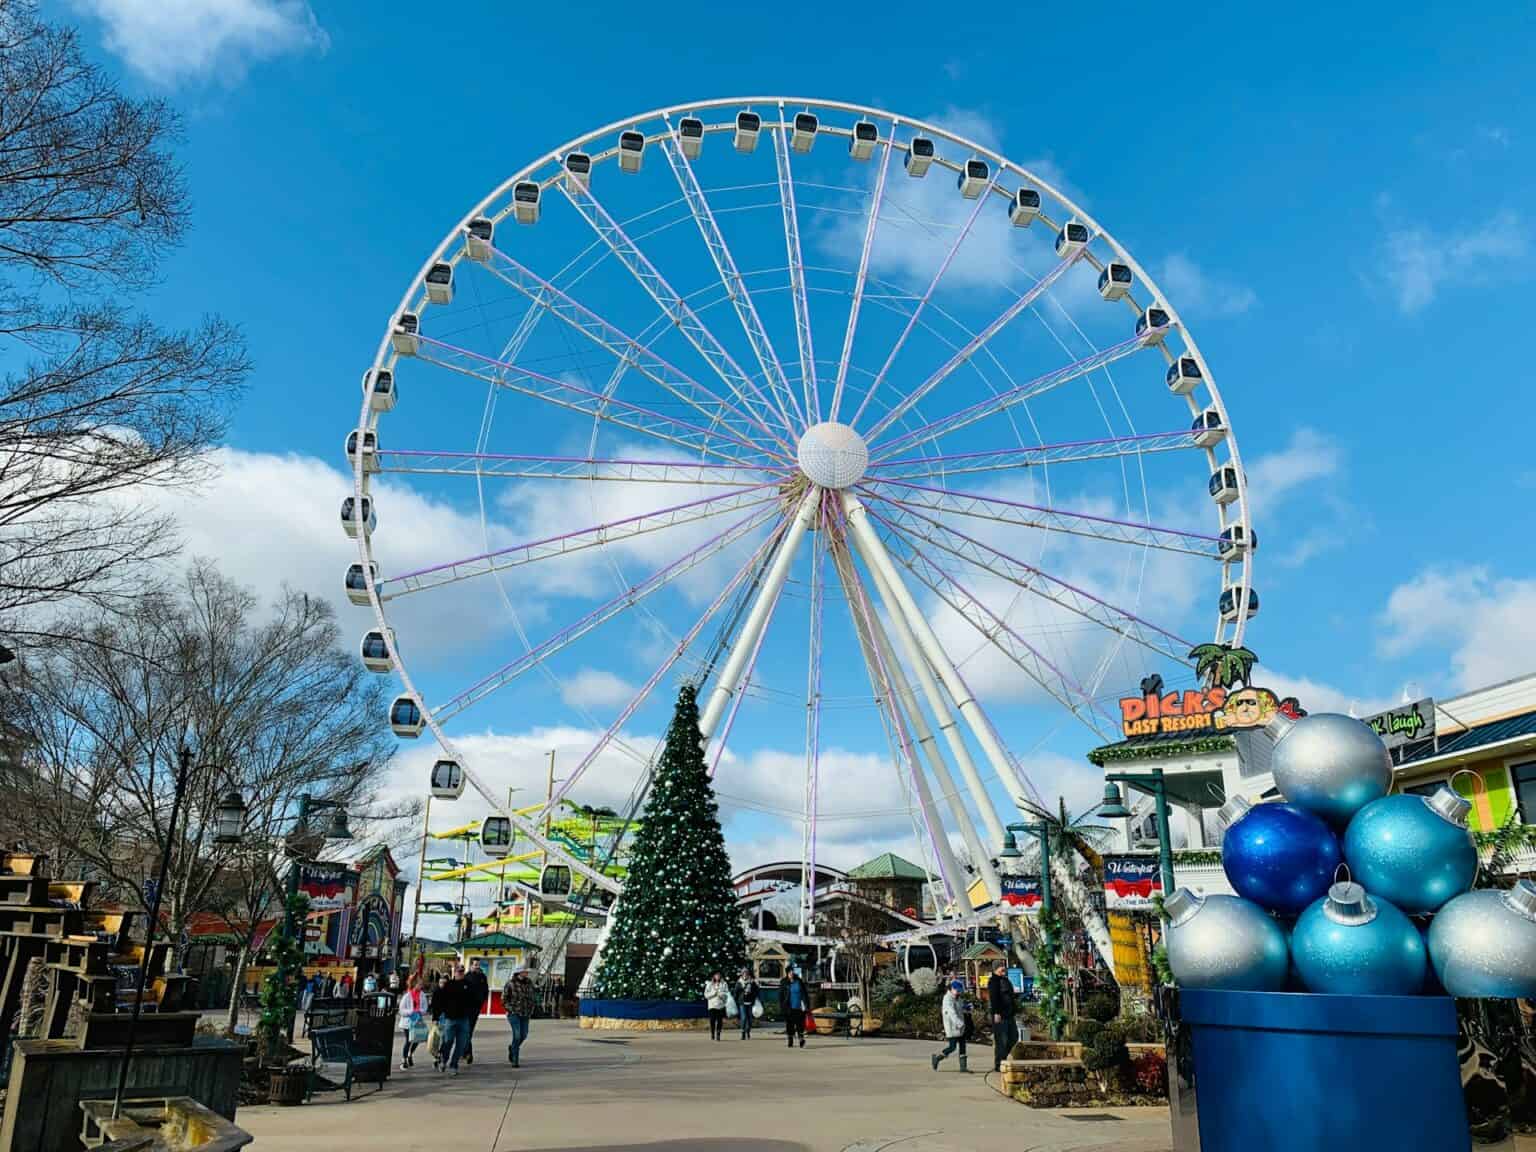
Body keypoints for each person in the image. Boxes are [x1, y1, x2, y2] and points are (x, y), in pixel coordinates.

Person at [431, 965, 473, 1075]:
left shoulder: (468, 985)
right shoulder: (448, 985)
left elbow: (474, 1000)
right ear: (454, 973)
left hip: (464, 1019)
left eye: (462, 972)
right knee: (447, 1042)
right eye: (458, 972)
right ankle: (444, 1061)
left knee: (461, 1044)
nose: (460, 973)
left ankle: (454, 1065)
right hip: (450, 1019)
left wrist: (472, 1013)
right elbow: (439, 1002)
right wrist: (436, 1017)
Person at [931, 980, 969, 1072]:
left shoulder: (958, 998)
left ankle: (963, 1068)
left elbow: (960, 1008)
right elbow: (952, 1014)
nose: (958, 992)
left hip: (961, 1026)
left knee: (963, 1046)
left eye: (959, 990)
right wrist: (959, 1023)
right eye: (956, 990)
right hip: (952, 1027)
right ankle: (937, 1058)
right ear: (951, 989)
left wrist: (966, 1007)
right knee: (952, 1047)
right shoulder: (947, 999)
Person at [502, 968, 536, 1066]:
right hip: (514, 1013)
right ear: (519, 972)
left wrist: (531, 1007)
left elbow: (532, 996)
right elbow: (504, 999)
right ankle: (515, 1060)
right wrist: (510, 1009)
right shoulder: (510, 983)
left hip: (525, 1013)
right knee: (517, 1035)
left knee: (523, 1035)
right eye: (525, 971)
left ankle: (512, 1048)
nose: (527, 973)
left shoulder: (529, 983)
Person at [988, 961, 1018, 1072]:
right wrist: (996, 1013)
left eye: (1004, 968)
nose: (1003, 970)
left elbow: (1011, 995)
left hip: (1009, 1014)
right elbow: (994, 998)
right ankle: (999, 1063)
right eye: (1001, 968)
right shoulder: (993, 982)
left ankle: (1003, 1058)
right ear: (996, 969)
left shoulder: (1005, 980)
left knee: (1014, 1037)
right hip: (1000, 1016)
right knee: (1001, 1040)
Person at [462, 958, 489, 1065]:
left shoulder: (482, 977)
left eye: (478, 964)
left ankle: (464, 1051)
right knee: (467, 1031)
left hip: (475, 1008)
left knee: (469, 1031)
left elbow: (485, 990)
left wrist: (482, 1002)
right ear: (471, 966)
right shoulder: (466, 977)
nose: (477, 966)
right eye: (475, 965)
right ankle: (468, 1053)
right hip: (465, 1008)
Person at [399, 973, 428, 1070]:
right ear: (414, 984)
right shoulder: (407, 995)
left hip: (418, 1020)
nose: (421, 986)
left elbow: (425, 1007)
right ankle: (403, 1060)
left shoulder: (423, 995)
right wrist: (411, 1012)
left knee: (417, 1039)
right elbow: (401, 1010)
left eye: (421, 984)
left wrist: (421, 1011)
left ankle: (410, 1054)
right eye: (419, 984)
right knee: (409, 1040)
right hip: (408, 1022)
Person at [780, 969, 807, 1049]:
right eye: (789, 973)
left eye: (792, 972)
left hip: (799, 1007)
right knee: (790, 1025)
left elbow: (804, 994)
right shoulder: (784, 982)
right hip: (789, 1007)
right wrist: (782, 1005)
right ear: (787, 974)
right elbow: (781, 995)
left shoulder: (799, 981)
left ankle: (801, 1039)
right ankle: (790, 1039)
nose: (791, 974)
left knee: (800, 1025)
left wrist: (805, 1004)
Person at [703, 971, 730, 1041]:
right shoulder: (709, 984)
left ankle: (718, 1034)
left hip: (720, 1005)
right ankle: (712, 1033)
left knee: (719, 1021)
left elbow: (727, 994)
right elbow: (706, 995)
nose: (717, 977)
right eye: (716, 975)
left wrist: (722, 995)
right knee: (712, 1020)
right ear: (714, 976)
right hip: (712, 1005)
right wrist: (713, 993)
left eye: (719, 975)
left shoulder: (724, 984)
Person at [734, 968, 759, 1039]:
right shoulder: (739, 982)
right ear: (742, 974)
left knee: (750, 1019)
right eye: (743, 973)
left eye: (746, 973)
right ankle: (743, 1032)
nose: (745, 974)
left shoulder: (752, 982)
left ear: (748, 974)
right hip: (742, 1002)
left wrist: (753, 995)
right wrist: (735, 1000)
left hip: (750, 1002)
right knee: (744, 1017)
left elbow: (756, 991)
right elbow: (736, 992)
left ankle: (748, 1030)